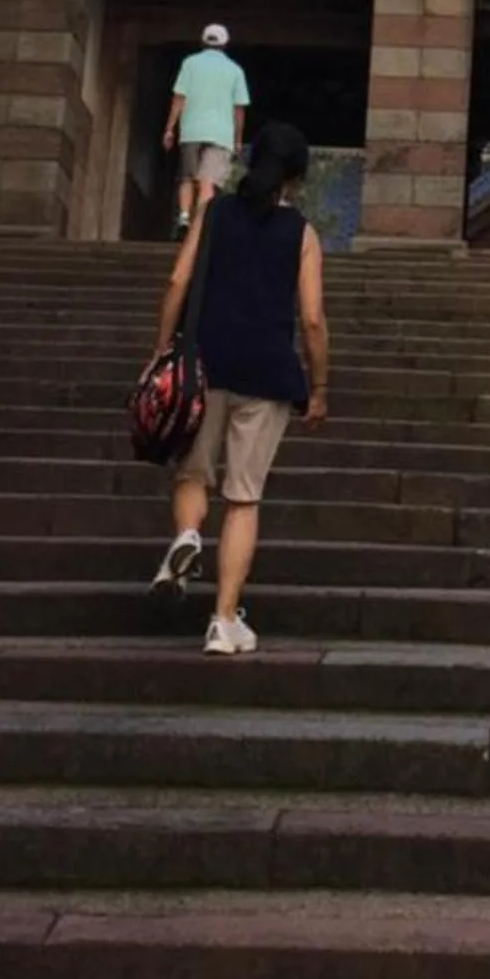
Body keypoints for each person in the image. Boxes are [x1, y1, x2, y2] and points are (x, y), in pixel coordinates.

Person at [147, 118, 329, 655]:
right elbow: (313, 318)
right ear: (294, 178)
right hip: (269, 373)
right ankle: (223, 621)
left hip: (205, 363)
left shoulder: (214, 213)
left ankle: (185, 539)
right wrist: (318, 386)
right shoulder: (302, 233)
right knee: (243, 498)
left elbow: (177, 281)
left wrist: (161, 352)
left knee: (193, 475)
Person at [162, 21, 249, 237]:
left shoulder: (190, 63)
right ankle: (200, 224)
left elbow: (179, 97)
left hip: (191, 130)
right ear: (225, 43)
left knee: (187, 177)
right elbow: (239, 110)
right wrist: (238, 140)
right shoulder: (235, 70)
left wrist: (169, 129)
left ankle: (184, 217)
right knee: (207, 181)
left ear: (203, 40)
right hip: (221, 135)